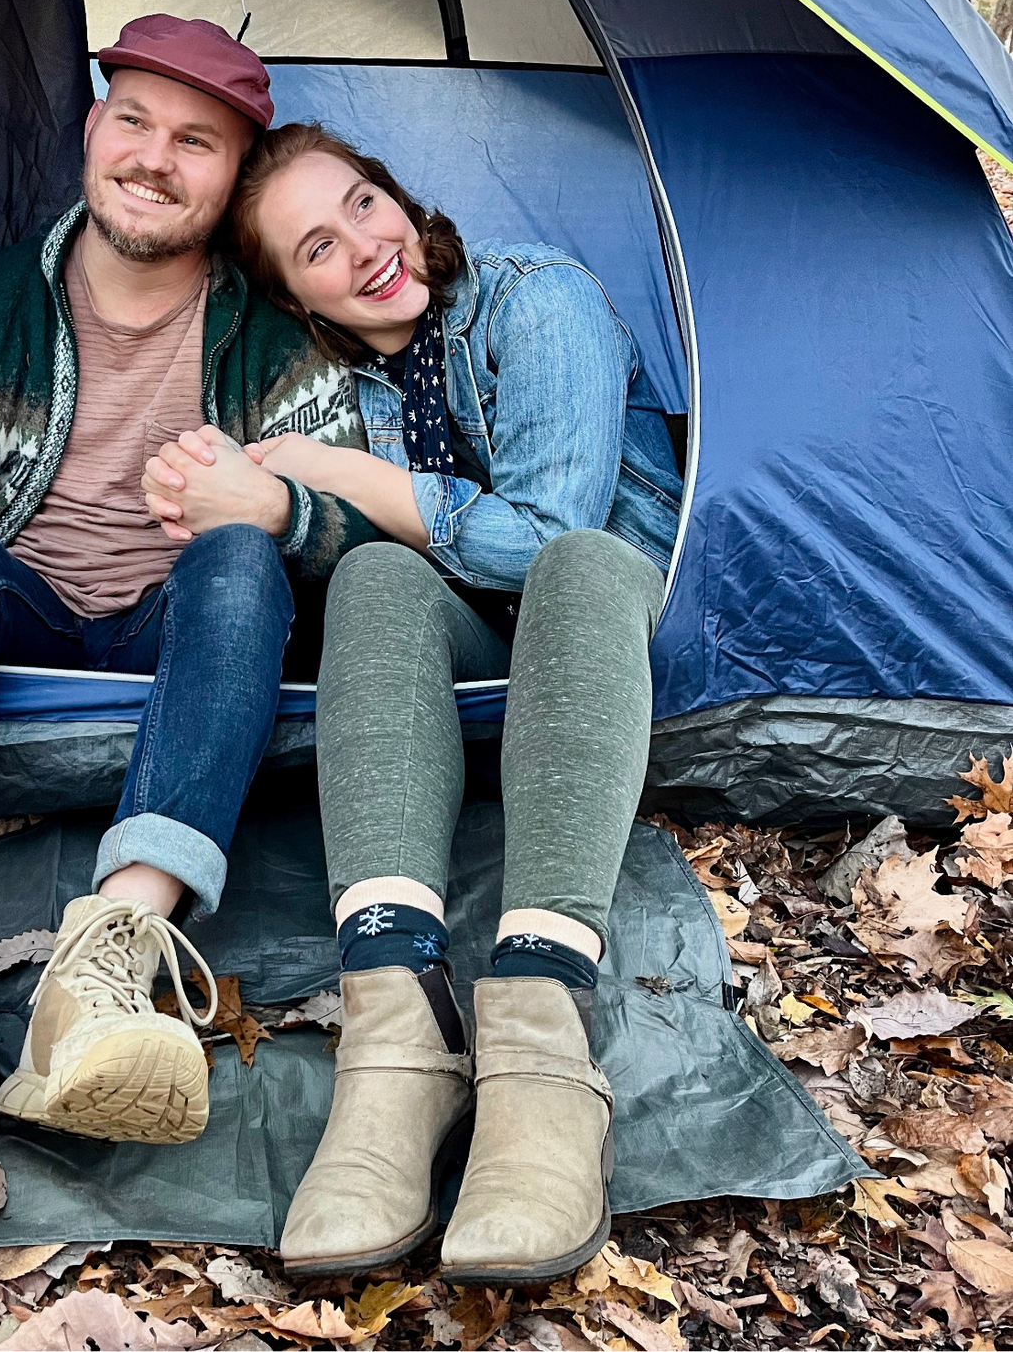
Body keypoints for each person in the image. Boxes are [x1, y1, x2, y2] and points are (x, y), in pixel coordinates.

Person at [0, 25, 377, 1181]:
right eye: (134, 119)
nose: (155, 157)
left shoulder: (278, 343)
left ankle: (104, 965)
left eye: (197, 141)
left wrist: (277, 508)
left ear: (232, 178)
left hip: (186, 623)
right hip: (29, 602)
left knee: (242, 556)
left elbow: (354, 558)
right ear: (91, 129)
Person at [142, 121, 682, 1285]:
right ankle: (399, 1026)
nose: (368, 249)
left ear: (396, 190)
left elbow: (549, 535)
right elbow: (381, 541)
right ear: (298, 296)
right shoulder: (352, 379)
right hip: (483, 631)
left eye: (366, 204)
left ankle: (540, 1022)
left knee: (574, 565)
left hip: (611, 618)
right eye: (319, 249)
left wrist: (347, 477)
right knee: (375, 574)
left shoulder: (537, 299)